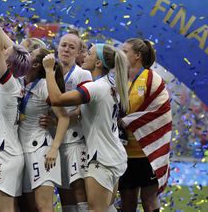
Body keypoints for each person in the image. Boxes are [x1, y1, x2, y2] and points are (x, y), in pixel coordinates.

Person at [43, 43, 129, 212]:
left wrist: (48, 71)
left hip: (102, 159)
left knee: (96, 209)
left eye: (89, 54)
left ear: (98, 63)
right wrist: (58, 121)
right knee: (107, 208)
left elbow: (56, 99)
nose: (84, 56)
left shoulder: (95, 87)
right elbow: (82, 114)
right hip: (113, 154)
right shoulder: (111, 85)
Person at [0, 1, 32, 212]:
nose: (1, 52)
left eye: (6, 54)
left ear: (10, 64)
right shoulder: (12, 83)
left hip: (3, 153)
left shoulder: (9, 84)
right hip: (7, 151)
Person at [119, 38, 171, 212]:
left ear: (137, 56)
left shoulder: (152, 79)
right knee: (127, 202)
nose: (121, 54)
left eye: (125, 52)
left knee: (149, 201)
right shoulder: (119, 80)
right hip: (124, 153)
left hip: (148, 153)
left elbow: (160, 113)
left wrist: (126, 121)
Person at [19, 47, 69, 212]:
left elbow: (64, 117)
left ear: (35, 65)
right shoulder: (20, 82)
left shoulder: (43, 86)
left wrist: (54, 149)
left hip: (42, 150)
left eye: (30, 54)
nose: (26, 55)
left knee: (43, 206)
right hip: (22, 151)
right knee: (31, 207)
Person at [55, 33, 92, 212]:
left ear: (78, 52)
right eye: (64, 45)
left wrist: (65, 120)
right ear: (57, 47)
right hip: (56, 140)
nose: (66, 50)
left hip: (77, 139)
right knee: (64, 190)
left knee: (79, 186)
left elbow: (85, 107)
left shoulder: (83, 74)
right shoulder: (50, 73)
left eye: (71, 47)